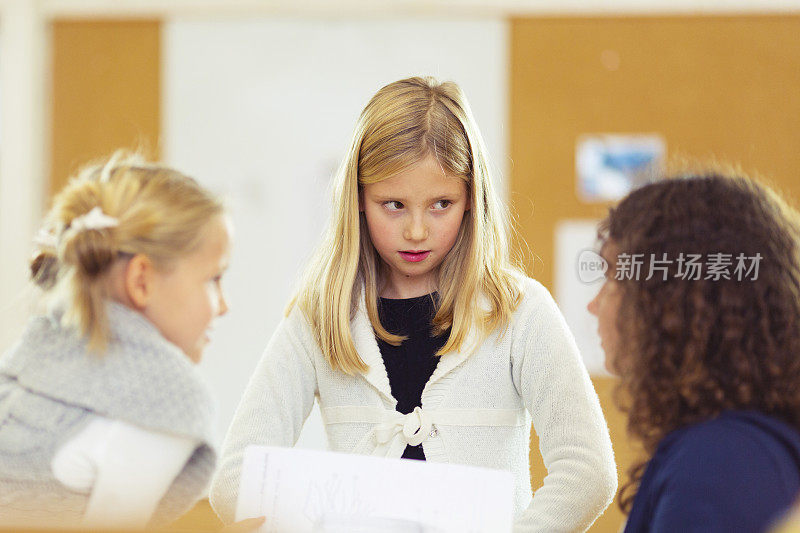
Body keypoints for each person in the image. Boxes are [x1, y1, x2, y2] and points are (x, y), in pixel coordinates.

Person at [210, 76, 616, 531]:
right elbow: (233, 481)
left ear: (471, 201)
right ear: (359, 200)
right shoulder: (319, 318)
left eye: (441, 203)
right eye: (394, 205)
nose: (417, 231)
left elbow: (587, 472)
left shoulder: (520, 311)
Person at [0, 152, 233, 529]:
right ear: (141, 281)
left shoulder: (28, 373)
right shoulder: (161, 404)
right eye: (213, 279)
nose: (223, 305)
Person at [588, 170, 800, 532]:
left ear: (671, 303)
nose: (594, 305)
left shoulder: (721, 461)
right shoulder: (737, 448)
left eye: (612, 279)